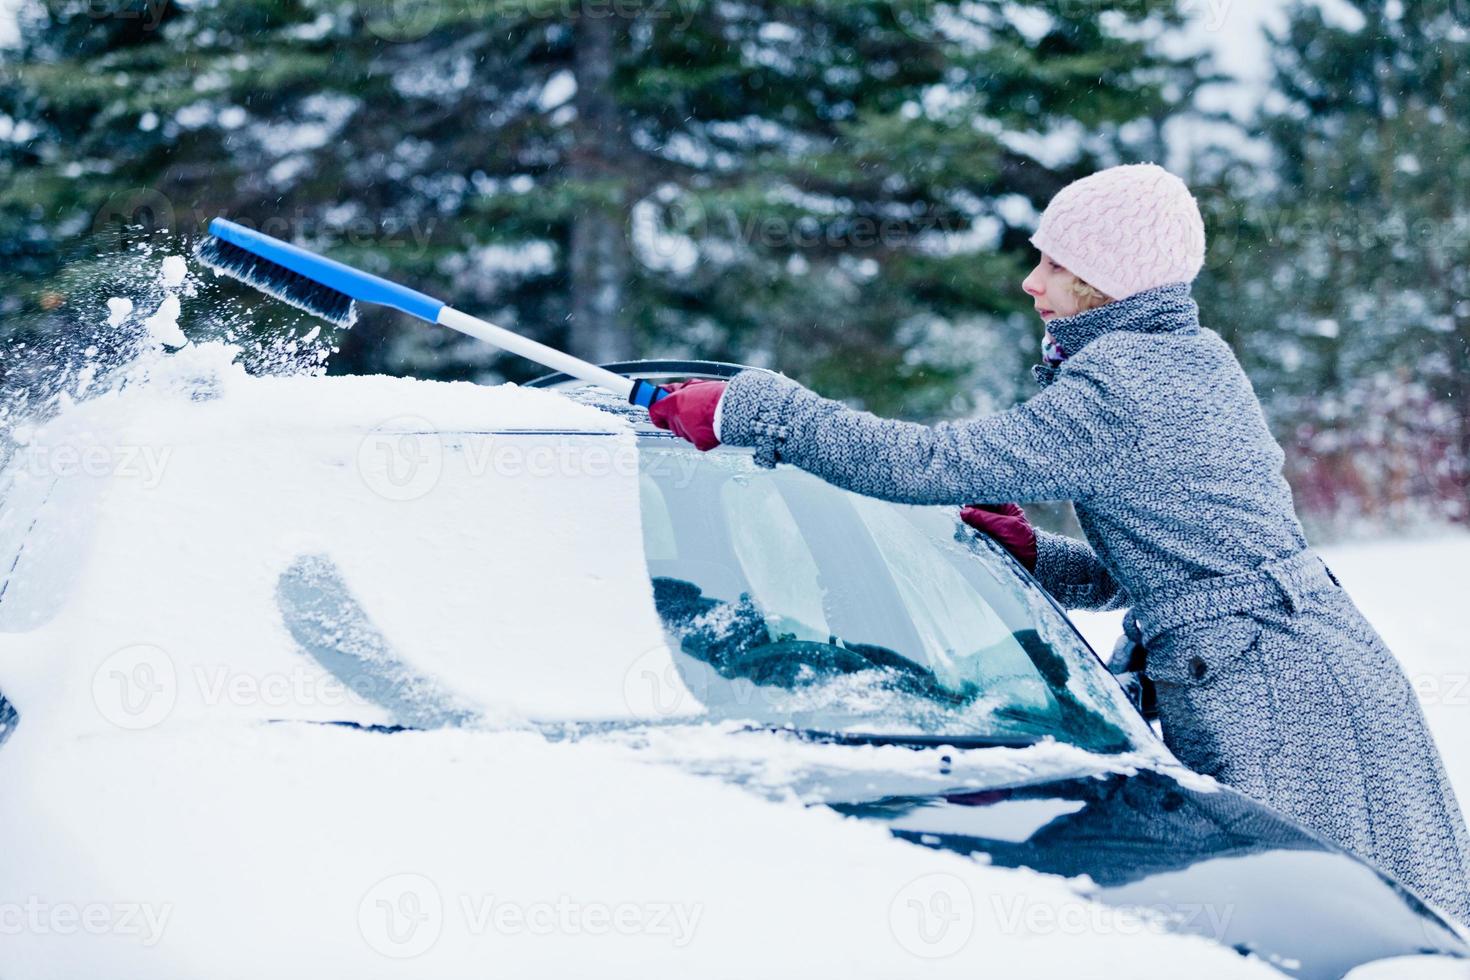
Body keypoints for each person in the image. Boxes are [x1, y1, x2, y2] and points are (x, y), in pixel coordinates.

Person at [647, 162, 1470, 923]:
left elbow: (929, 462)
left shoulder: (1124, 385)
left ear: (1107, 279)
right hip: (1306, 662)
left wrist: (756, 410)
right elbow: (1176, 569)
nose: (1030, 281)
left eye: (1054, 265)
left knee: (1303, 924)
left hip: (1274, 693)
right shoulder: (1192, 359)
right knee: (1343, 915)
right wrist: (1040, 557)